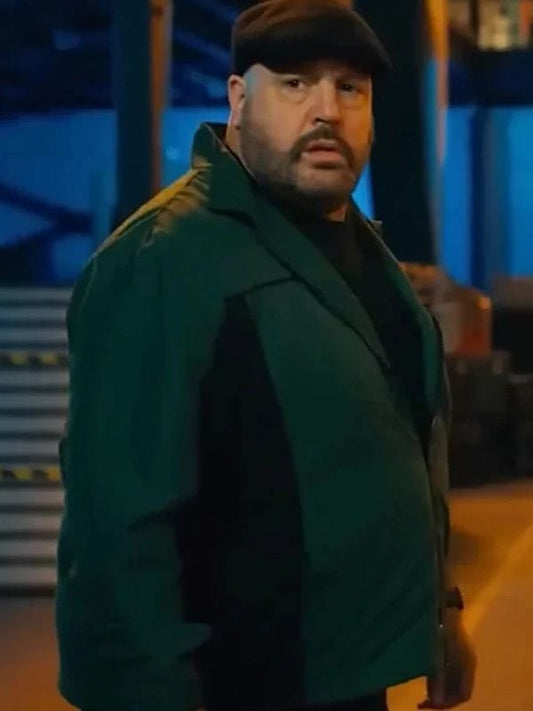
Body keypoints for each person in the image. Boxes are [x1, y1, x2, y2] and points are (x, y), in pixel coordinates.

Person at [55, 2, 476, 710]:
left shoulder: (365, 255)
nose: (327, 111)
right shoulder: (167, 259)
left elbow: (401, 446)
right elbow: (118, 530)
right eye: (294, 83)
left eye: (350, 88)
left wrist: (441, 613)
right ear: (238, 98)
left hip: (348, 675)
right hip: (239, 685)